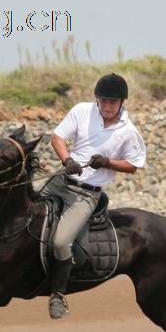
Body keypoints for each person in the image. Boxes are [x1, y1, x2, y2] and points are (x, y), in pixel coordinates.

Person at [42, 73, 146, 319]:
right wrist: (67, 160)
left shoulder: (128, 132)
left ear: (122, 103)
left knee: (60, 242)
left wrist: (108, 162)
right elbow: (57, 138)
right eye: (103, 101)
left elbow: (133, 165)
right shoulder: (81, 111)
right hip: (60, 181)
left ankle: (57, 294)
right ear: (97, 100)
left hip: (85, 196)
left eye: (112, 102)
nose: (107, 107)